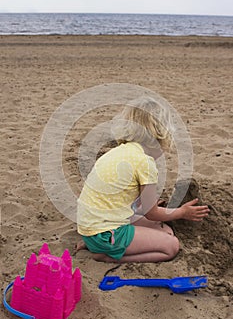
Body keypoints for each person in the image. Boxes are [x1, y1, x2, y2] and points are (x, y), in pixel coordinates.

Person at [76, 96, 209, 263]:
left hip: (90, 228)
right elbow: (152, 214)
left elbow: (119, 195)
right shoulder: (144, 162)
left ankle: (98, 245)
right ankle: (106, 256)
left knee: (166, 231)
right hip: (105, 233)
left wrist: (143, 204)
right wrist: (182, 212)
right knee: (171, 246)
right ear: (160, 135)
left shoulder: (118, 152)